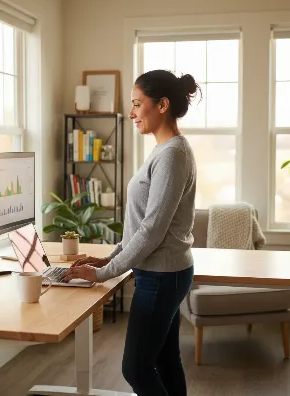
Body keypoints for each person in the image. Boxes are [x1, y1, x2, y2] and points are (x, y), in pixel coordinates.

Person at [62, 69, 200, 396]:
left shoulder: (173, 154)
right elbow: (141, 222)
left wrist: (105, 274)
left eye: (138, 103)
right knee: (166, 359)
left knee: (135, 368)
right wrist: (108, 258)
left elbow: (153, 230)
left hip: (162, 275)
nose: (131, 112)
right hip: (163, 272)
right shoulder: (164, 150)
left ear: (162, 104)